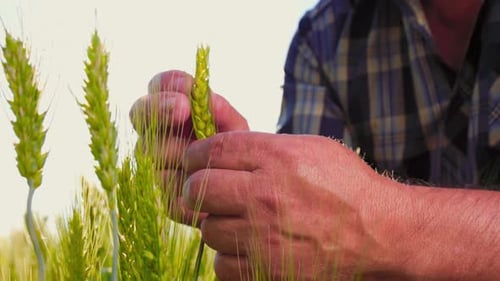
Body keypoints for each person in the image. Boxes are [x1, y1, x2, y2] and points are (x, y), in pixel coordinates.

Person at [130, 0, 500, 280]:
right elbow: (307, 245)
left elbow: (347, 224)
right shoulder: (323, 39)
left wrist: (377, 221)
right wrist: (250, 194)